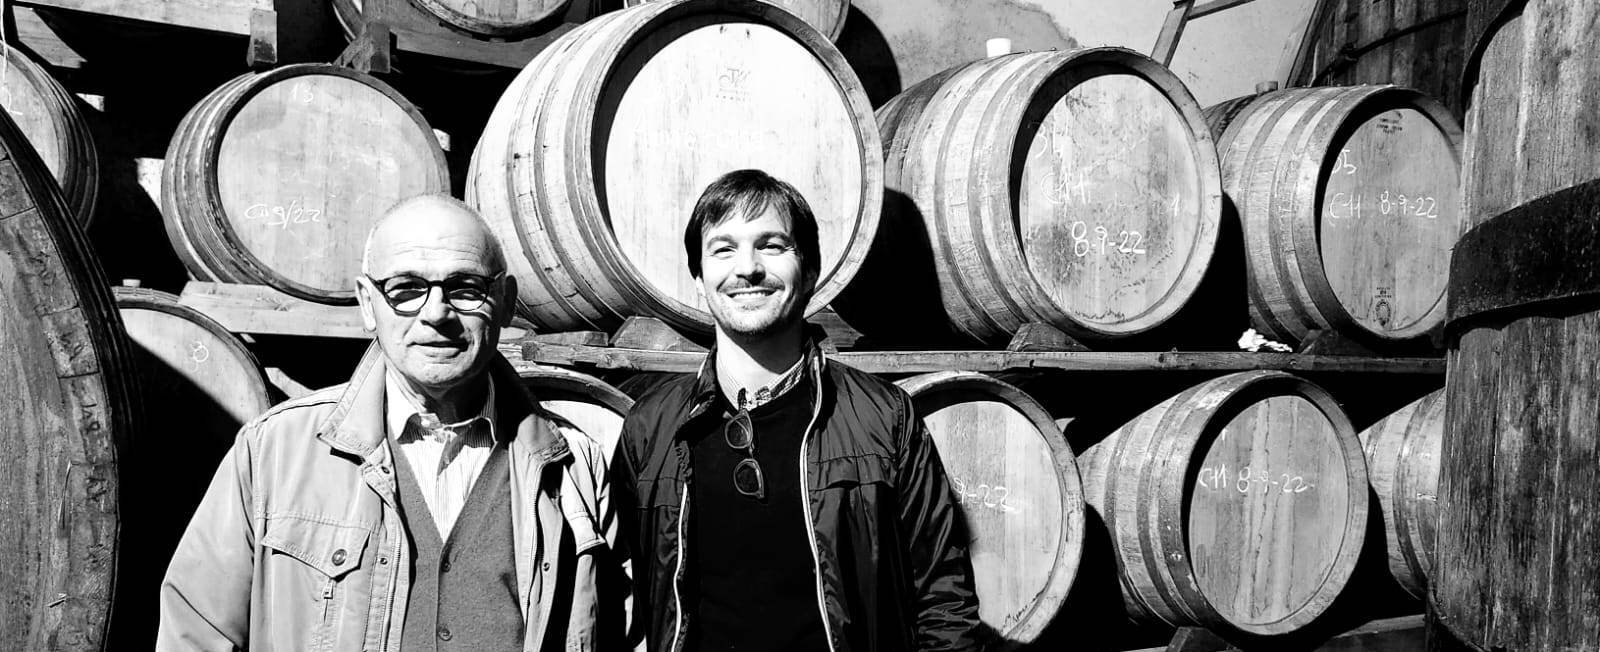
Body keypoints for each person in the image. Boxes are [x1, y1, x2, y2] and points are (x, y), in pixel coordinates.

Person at [158, 195, 626, 651]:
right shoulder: (273, 452)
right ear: (367, 303)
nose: (436, 313)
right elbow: (195, 633)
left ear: (504, 302)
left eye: (465, 288)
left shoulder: (574, 468)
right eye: (406, 289)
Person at [615, 170, 984, 652]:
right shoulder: (651, 427)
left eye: (771, 245)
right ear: (700, 280)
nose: (747, 268)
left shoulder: (884, 417)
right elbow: (625, 602)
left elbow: (943, 600)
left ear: (809, 272)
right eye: (724, 249)